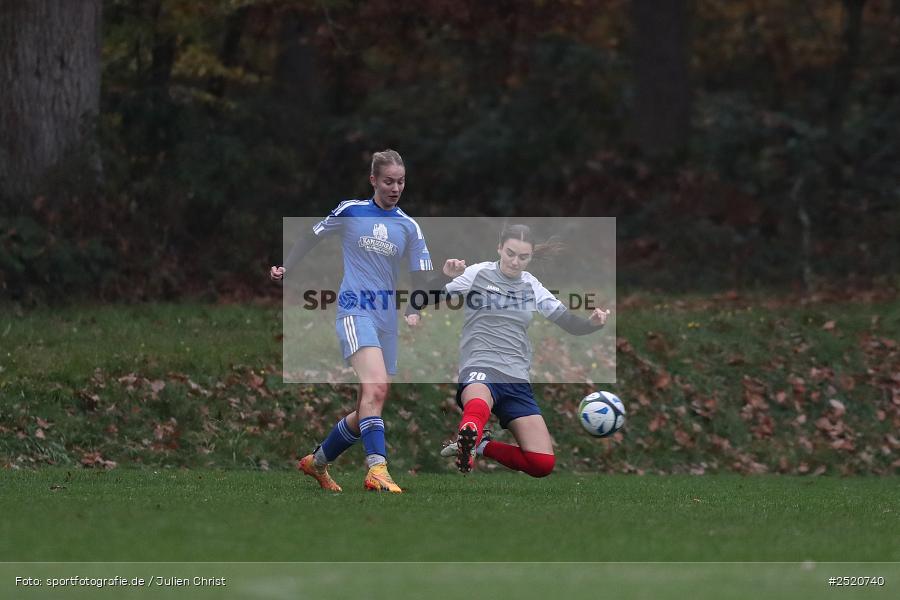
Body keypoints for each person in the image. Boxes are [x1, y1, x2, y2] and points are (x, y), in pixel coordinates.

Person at [270, 149, 443, 493]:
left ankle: (316, 462)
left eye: (401, 181)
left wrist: (424, 300)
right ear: (374, 181)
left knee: (372, 400)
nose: (396, 188)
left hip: (385, 318)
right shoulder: (351, 211)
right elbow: (311, 236)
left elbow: (421, 282)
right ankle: (377, 469)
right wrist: (288, 266)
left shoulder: (409, 227)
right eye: (389, 181)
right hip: (354, 309)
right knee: (375, 388)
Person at [437, 224, 610, 477]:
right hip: (480, 364)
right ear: (499, 248)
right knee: (476, 408)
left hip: (516, 378)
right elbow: (428, 295)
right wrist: (444, 277)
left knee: (541, 464)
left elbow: (569, 323)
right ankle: (469, 437)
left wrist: (592, 324)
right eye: (510, 253)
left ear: (530, 257)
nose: (515, 262)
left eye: (523, 257)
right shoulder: (478, 273)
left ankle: (480, 445)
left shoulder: (533, 287)